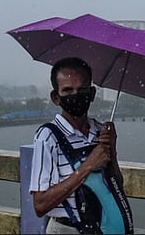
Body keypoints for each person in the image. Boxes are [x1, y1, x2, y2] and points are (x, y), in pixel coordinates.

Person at [29, 57, 133, 234]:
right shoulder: (48, 138)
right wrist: (88, 166)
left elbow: (116, 186)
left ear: (91, 94)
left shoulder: (100, 132)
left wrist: (112, 151)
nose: (75, 95)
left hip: (100, 227)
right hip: (66, 228)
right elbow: (40, 205)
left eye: (82, 89)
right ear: (56, 97)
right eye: (67, 90)